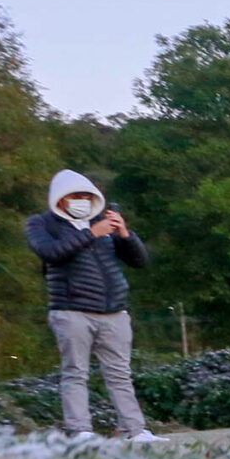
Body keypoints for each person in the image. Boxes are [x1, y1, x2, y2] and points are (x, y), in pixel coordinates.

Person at [23, 170, 158, 442]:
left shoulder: (102, 224)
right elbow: (50, 253)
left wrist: (125, 234)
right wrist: (91, 234)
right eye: (76, 196)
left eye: (87, 196)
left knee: (121, 374)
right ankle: (80, 431)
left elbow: (139, 261)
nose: (82, 201)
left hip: (114, 312)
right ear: (61, 199)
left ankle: (135, 430)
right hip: (71, 310)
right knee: (75, 372)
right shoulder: (41, 223)